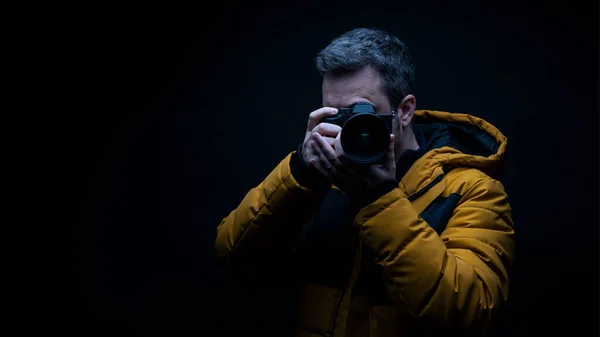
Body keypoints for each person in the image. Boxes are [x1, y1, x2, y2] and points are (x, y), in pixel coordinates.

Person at [214, 27, 514, 337]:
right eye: (336, 115)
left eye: (362, 113)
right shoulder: (319, 177)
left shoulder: (470, 189)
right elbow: (234, 258)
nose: (349, 130)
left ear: (405, 110)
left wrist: (380, 198)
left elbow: (471, 310)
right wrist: (300, 174)